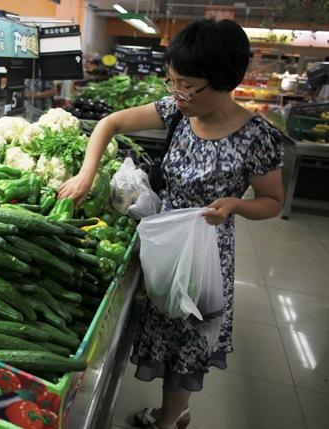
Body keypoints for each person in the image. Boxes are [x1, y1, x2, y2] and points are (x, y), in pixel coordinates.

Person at [59, 19, 284, 429]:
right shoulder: (175, 111)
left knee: (189, 338)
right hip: (164, 240)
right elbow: (109, 124)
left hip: (206, 253)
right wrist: (87, 174)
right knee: (162, 325)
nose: (176, 94)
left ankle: (168, 420)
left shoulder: (257, 137)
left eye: (187, 86)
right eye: (172, 81)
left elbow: (272, 202)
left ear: (223, 82)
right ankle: (175, 412)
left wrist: (234, 204)